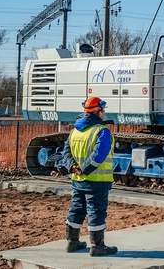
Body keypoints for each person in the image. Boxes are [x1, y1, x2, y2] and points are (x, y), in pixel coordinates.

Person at [61, 97, 118, 256]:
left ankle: (72, 243)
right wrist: (85, 169)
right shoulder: (102, 131)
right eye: (103, 111)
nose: (104, 114)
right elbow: (99, 154)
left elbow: (65, 153)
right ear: (98, 112)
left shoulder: (74, 132)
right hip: (97, 182)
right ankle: (98, 247)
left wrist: (73, 167)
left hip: (78, 181)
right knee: (96, 212)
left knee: (76, 209)